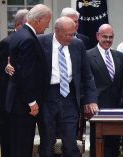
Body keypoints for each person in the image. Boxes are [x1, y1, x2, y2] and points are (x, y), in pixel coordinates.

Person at [37, 16, 98, 157]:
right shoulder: (41, 42)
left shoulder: (78, 44)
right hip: (47, 96)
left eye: (73, 33)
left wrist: (91, 99)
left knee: (71, 142)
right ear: (56, 31)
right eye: (68, 34)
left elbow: (87, 74)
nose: (71, 37)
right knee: (47, 142)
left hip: (69, 97)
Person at [5, 4, 52, 157]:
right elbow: (26, 73)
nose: (48, 25)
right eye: (47, 21)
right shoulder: (28, 39)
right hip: (24, 104)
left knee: (19, 145)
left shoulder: (20, 34)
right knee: (22, 146)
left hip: (18, 102)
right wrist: (32, 102)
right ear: (38, 20)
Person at [87, 24, 123, 157]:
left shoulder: (119, 56)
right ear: (98, 36)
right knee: (98, 145)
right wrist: (87, 103)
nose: (108, 40)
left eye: (111, 37)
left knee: (114, 144)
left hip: (117, 109)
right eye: (105, 36)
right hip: (97, 108)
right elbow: (84, 82)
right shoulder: (88, 55)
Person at [0, 8, 29, 157]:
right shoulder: (6, 43)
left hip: (24, 101)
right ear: (18, 25)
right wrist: (6, 68)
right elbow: (1, 71)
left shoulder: (33, 40)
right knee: (9, 139)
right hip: (9, 102)